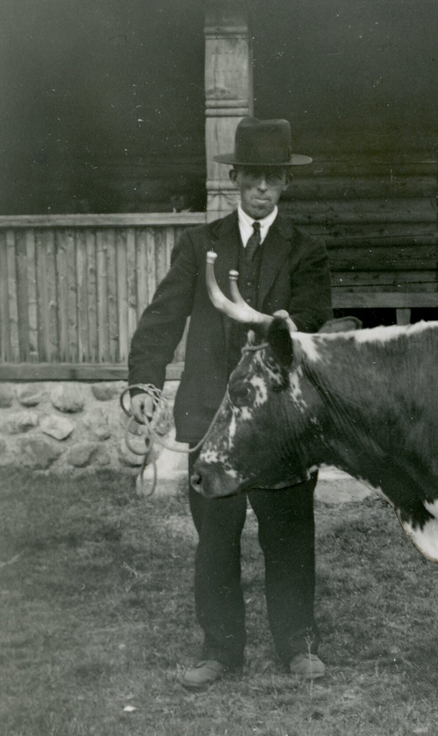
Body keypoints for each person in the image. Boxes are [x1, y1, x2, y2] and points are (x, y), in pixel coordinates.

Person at [127, 117, 333, 690]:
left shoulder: (307, 250)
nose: (262, 188)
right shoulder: (200, 245)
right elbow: (163, 317)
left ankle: (297, 645)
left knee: (288, 532)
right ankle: (221, 651)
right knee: (216, 535)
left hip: (279, 422)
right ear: (235, 179)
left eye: (273, 178)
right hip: (209, 417)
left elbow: (314, 314)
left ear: (285, 184)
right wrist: (144, 386)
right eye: (252, 177)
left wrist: (282, 328)